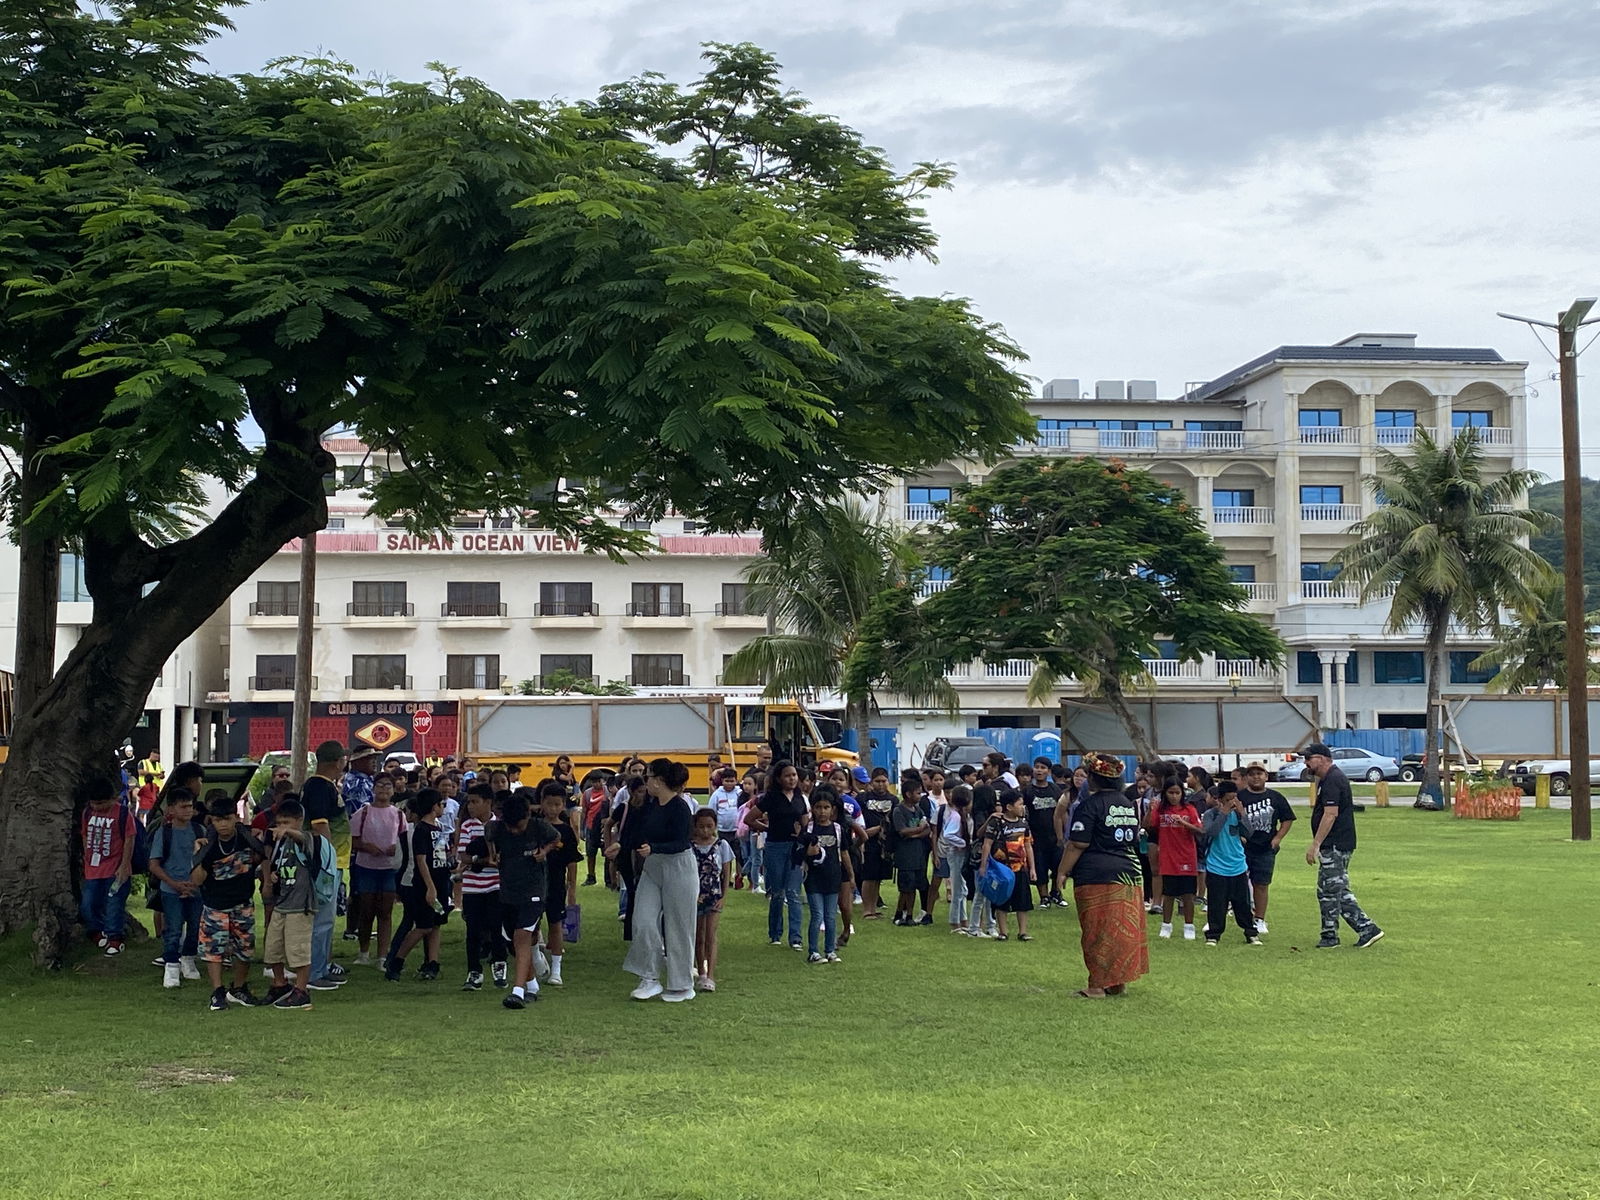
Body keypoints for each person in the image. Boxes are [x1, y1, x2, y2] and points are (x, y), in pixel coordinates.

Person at [1055, 752, 1149, 998]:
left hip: (1097, 875)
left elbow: (1077, 844)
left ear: (1094, 779)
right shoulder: (1127, 803)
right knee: (1121, 931)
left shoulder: (1090, 805)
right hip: (1130, 873)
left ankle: (1097, 986)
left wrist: (1062, 871)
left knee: (1097, 931)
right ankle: (1117, 982)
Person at [622, 759, 698, 1002]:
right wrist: (620, 845)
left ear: (660, 781)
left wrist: (653, 847)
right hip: (653, 868)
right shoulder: (650, 805)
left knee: (679, 926)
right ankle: (649, 977)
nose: (646, 781)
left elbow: (682, 842)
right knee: (642, 920)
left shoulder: (680, 808)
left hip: (679, 867)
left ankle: (682, 983)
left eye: (649, 776)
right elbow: (636, 833)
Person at [1301, 743, 1385, 949]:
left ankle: (1330, 936)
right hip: (1336, 843)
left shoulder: (1332, 780)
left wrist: (1316, 844)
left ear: (1322, 759)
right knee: (1336, 889)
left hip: (1336, 844)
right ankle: (1367, 928)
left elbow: (1330, 815)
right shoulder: (1328, 779)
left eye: (1309, 758)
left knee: (1329, 891)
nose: (1306, 763)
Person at [484, 790, 560, 1009]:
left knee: (522, 936)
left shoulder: (539, 827)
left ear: (527, 817)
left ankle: (517, 991)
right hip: (508, 892)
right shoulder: (497, 828)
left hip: (534, 891)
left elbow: (557, 838)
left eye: (519, 826)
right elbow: (488, 832)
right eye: (511, 827)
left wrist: (544, 851)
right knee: (513, 943)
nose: (515, 830)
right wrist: (493, 854)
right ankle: (533, 985)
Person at [191, 793, 268, 1010]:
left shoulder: (247, 838)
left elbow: (264, 855)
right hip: (215, 905)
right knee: (213, 950)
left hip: (242, 902)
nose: (223, 824)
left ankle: (239, 988)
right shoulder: (208, 844)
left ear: (236, 817)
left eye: (227, 819)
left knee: (245, 948)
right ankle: (217, 992)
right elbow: (197, 880)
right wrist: (197, 855)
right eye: (217, 820)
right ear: (211, 821)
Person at [385, 789, 453, 982]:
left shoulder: (438, 828)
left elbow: (439, 855)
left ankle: (432, 963)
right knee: (423, 926)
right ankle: (397, 961)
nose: (443, 808)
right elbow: (421, 860)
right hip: (425, 885)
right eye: (441, 804)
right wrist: (430, 887)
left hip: (440, 881)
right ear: (434, 807)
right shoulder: (421, 830)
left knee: (436, 924)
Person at [261, 799, 322, 1010]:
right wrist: (274, 877)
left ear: (299, 820)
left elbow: (301, 838)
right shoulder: (281, 843)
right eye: (279, 823)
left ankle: (302, 990)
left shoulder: (307, 838)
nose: (282, 827)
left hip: (301, 905)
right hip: (282, 902)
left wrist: (287, 832)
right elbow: (280, 866)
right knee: (272, 948)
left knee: (298, 951)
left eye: (287, 822)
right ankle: (279, 984)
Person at [301, 741, 351, 991]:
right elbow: (320, 825)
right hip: (324, 862)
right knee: (322, 920)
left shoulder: (324, 785)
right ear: (337, 761)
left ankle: (322, 965)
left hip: (331, 861)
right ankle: (314, 972)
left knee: (326, 920)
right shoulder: (320, 786)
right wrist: (328, 858)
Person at [349, 773, 406, 968]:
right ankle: (363, 952)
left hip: (389, 868)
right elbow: (353, 840)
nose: (383, 789)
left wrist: (396, 848)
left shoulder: (398, 814)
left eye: (388, 785)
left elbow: (404, 840)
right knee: (366, 910)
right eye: (380, 785)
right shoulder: (363, 813)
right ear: (373, 788)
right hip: (366, 868)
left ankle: (382, 956)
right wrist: (366, 846)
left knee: (385, 912)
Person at [149, 788, 205, 987]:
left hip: (195, 888)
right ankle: (171, 965)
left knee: (195, 927)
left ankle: (188, 959)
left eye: (190, 806)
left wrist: (193, 883)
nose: (188, 810)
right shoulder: (164, 833)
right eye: (183, 806)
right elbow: (154, 864)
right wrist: (173, 883)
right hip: (171, 889)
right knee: (173, 928)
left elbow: (205, 860)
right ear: (171, 809)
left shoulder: (199, 831)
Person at [750, 760, 807, 950]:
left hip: (795, 847)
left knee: (793, 892)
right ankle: (775, 933)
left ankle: (796, 937)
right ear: (779, 778)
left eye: (794, 775)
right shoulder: (771, 797)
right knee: (777, 892)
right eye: (787, 776)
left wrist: (802, 832)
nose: (792, 779)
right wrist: (767, 828)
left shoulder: (800, 797)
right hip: (775, 846)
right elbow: (749, 818)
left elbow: (805, 820)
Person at [80, 776, 139, 956]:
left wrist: (124, 864)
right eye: (95, 803)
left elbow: (130, 838)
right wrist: (86, 858)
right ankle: (96, 931)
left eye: (102, 803)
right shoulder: (87, 813)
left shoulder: (122, 814)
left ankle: (115, 938)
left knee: (114, 903)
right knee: (88, 904)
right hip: (92, 868)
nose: (98, 807)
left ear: (113, 799)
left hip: (115, 868)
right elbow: (84, 835)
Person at [1238, 762, 1296, 934]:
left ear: (1266, 776)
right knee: (1238, 884)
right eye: (1252, 774)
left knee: (1261, 884)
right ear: (1246, 777)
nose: (1256, 777)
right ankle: (1242, 917)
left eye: (1259, 773)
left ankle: (1260, 919)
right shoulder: (1240, 797)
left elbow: (1287, 819)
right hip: (1243, 847)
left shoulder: (1276, 797)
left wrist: (1278, 838)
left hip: (1265, 847)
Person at [1200, 780, 1260, 946]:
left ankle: (1251, 933)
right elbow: (1211, 832)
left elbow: (1249, 833)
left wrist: (1243, 815)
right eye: (1228, 799)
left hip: (1238, 866)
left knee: (1243, 904)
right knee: (1216, 903)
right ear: (1219, 799)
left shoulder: (1238, 813)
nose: (1232, 803)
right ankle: (1213, 934)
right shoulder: (1210, 815)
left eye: (1235, 799)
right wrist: (1223, 813)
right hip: (1216, 867)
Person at [538, 780, 580, 987]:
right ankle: (537, 962)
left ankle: (556, 970)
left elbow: (572, 862)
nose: (553, 808)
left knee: (555, 924)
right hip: (534, 883)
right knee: (531, 925)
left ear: (563, 805)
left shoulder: (566, 831)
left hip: (556, 884)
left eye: (558, 804)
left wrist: (571, 888)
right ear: (542, 803)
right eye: (549, 804)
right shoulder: (533, 827)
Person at [1151, 780, 1203, 940]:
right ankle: (1166, 925)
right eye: (1170, 793)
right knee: (1169, 894)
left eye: (1177, 793)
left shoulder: (1189, 809)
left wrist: (1184, 823)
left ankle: (1189, 926)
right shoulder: (1160, 810)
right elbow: (1149, 825)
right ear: (1165, 794)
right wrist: (1149, 810)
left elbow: (1200, 831)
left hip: (1187, 856)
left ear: (1182, 794)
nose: (1174, 796)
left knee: (1188, 894)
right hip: (1168, 857)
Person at [979, 788, 1034, 941]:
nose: (1022, 807)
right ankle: (1003, 931)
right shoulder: (997, 822)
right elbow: (987, 844)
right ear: (1009, 807)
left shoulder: (1024, 823)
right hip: (1001, 869)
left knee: (1023, 901)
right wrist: (984, 865)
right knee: (1001, 900)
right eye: (1019, 804)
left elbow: (1028, 845)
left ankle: (1023, 931)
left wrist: (1032, 867)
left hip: (1020, 868)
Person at [798, 788, 845, 962]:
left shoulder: (837, 829)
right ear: (813, 808)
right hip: (814, 878)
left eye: (826, 807)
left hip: (833, 876)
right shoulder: (809, 828)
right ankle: (813, 951)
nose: (822, 811)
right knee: (817, 914)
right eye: (818, 807)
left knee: (831, 916)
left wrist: (851, 876)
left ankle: (830, 950)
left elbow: (844, 852)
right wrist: (808, 853)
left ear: (832, 809)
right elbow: (799, 851)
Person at [690, 808, 734, 989]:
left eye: (709, 826)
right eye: (701, 827)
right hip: (696, 896)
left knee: (711, 935)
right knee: (698, 935)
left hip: (714, 895)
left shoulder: (722, 845)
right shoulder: (691, 847)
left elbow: (726, 872)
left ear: (715, 826)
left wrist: (724, 896)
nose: (705, 831)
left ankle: (711, 975)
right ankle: (700, 971)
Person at [890, 772, 933, 926]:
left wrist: (916, 834)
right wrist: (918, 830)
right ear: (908, 794)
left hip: (918, 854)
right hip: (905, 855)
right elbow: (902, 830)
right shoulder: (899, 810)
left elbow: (927, 829)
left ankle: (908, 914)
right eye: (917, 792)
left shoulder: (918, 809)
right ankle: (901, 913)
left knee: (914, 885)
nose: (920, 795)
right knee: (906, 887)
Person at [1022, 757, 1065, 907]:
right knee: (1040, 867)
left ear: (1049, 771)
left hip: (1054, 836)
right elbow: (1023, 814)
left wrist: (1063, 834)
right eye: (1037, 767)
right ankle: (1044, 897)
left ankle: (1056, 892)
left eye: (1043, 767)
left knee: (1058, 865)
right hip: (1036, 837)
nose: (1039, 770)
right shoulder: (1027, 791)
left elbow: (1062, 813)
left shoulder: (1055, 790)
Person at [934, 786, 973, 933]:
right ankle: (954, 922)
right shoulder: (956, 817)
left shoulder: (963, 816)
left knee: (962, 888)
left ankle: (963, 921)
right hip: (956, 854)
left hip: (960, 854)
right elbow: (948, 834)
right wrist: (963, 843)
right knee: (957, 889)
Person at [858, 766, 895, 919]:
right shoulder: (863, 798)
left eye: (883, 781)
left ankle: (874, 907)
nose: (881, 784)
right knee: (869, 876)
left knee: (879, 877)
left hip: (885, 844)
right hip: (868, 841)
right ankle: (867, 909)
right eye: (877, 781)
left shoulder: (894, 800)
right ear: (871, 782)